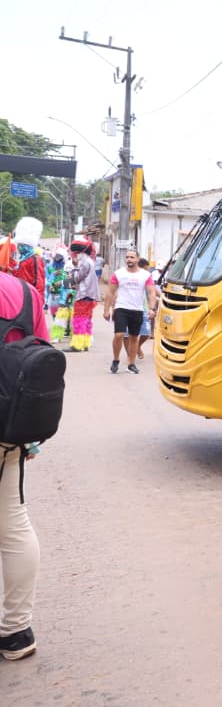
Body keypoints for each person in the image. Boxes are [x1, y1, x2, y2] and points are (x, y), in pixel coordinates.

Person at [0, 269, 50, 661]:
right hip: (8, 429)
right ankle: (16, 632)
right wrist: (28, 434)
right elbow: (40, 363)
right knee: (13, 525)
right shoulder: (25, 291)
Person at [102, 249, 157, 374]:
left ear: (137, 259)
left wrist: (152, 308)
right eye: (127, 257)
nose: (129, 260)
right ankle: (116, 360)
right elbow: (110, 292)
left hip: (137, 309)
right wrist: (107, 310)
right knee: (119, 335)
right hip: (121, 308)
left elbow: (151, 292)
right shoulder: (118, 273)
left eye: (132, 257)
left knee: (134, 337)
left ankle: (131, 364)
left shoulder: (145, 275)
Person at [67, 238, 100, 352]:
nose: (74, 255)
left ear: (79, 252)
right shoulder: (90, 261)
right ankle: (85, 343)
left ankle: (77, 345)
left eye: (74, 253)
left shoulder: (85, 263)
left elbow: (77, 278)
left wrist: (74, 268)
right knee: (86, 320)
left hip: (83, 294)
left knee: (79, 319)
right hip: (90, 296)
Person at [11, 218, 44, 305]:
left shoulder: (35, 259)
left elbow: (39, 281)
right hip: (21, 294)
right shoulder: (23, 259)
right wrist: (11, 269)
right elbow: (20, 275)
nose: (18, 248)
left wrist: (38, 302)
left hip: (31, 296)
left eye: (21, 245)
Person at [134, 258, 157, 360]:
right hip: (130, 307)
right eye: (147, 268)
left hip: (143, 308)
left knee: (145, 333)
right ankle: (131, 357)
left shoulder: (146, 277)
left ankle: (137, 346)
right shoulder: (134, 275)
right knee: (131, 334)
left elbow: (153, 290)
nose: (148, 271)